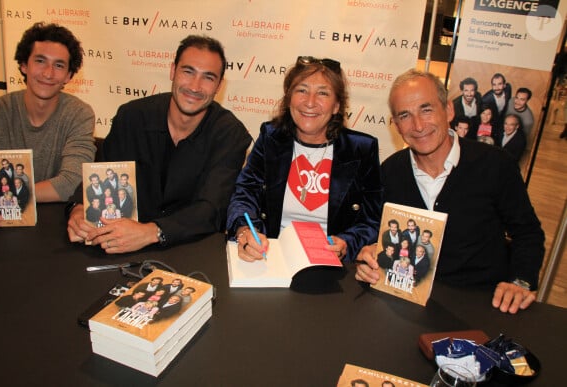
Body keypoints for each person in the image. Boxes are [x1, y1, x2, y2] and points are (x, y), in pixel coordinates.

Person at [355, 69, 545, 314]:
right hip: (405, 305)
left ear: (449, 110)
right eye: (405, 115)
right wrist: (371, 255)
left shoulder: (495, 165)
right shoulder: (390, 172)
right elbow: (381, 237)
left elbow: (527, 233)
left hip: (480, 307)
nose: (418, 125)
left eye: (426, 109)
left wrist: (520, 281)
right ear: (396, 125)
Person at [67, 35, 251, 253]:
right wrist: (78, 208)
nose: (195, 86)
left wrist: (152, 232)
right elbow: (101, 172)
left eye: (208, 78)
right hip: (119, 244)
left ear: (219, 86)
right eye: (188, 71)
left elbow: (212, 209)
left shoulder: (230, 134)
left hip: (190, 249)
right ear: (173, 71)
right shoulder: (132, 117)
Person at [226, 56, 382, 262]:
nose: (310, 102)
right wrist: (245, 230)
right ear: (289, 98)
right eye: (301, 90)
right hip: (271, 257)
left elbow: (372, 221)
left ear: (337, 106)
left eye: (323, 93)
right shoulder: (271, 137)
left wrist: (347, 243)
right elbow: (245, 194)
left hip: (330, 267)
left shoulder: (361, 149)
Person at [0, 22, 95, 206]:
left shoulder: (79, 114)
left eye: (59, 65)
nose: (48, 73)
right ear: (23, 65)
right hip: (1, 218)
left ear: (68, 75)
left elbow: (71, 182)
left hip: (54, 221)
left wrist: (6, 195)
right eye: (40, 61)